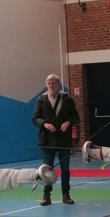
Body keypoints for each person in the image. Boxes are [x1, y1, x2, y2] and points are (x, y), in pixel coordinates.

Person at [32, 74, 79, 206]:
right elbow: (35, 118)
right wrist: (45, 124)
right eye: (48, 83)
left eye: (53, 83)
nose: (50, 85)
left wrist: (68, 122)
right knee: (46, 169)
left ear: (58, 85)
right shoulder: (41, 100)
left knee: (65, 169)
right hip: (48, 139)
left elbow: (75, 117)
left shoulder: (67, 99)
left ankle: (66, 194)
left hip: (64, 139)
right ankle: (46, 195)